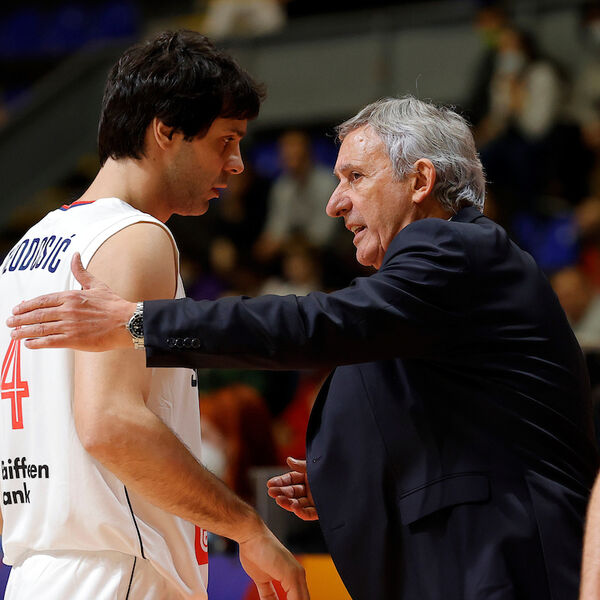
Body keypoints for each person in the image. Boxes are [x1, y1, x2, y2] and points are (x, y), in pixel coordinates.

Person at [7, 96, 599, 600]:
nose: (334, 203)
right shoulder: (430, 292)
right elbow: (452, 429)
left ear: (421, 182)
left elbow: (318, 324)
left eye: (355, 178)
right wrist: (347, 478)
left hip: (507, 562)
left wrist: (140, 323)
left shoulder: (456, 250)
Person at [0, 30, 308, 600]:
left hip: (38, 571)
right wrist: (247, 526)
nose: (237, 164)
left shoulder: (26, 247)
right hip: (121, 570)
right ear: (165, 131)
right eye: (225, 140)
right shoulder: (136, 236)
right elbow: (109, 424)